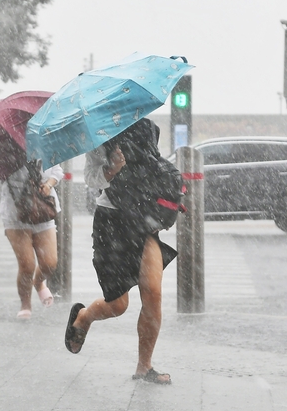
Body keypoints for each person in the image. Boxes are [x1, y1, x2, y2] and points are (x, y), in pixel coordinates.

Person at [65, 118, 177, 385]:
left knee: (153, 292)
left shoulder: (146, 127)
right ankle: (83, 317)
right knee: (118, 305)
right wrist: (111, 169)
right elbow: (91, 177)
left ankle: (144, 366)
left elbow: (152, 164)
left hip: (141, 216)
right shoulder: (99, 134)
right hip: (111, 221)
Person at [0, 161, 63, 319]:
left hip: (42, 207)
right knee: (27, 265)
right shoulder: (5, 152)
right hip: (16, 210)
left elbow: (57, 171)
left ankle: (38, 282)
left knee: (49, 263)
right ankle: (25, 304)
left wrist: (48, 184)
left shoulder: (45, 147)